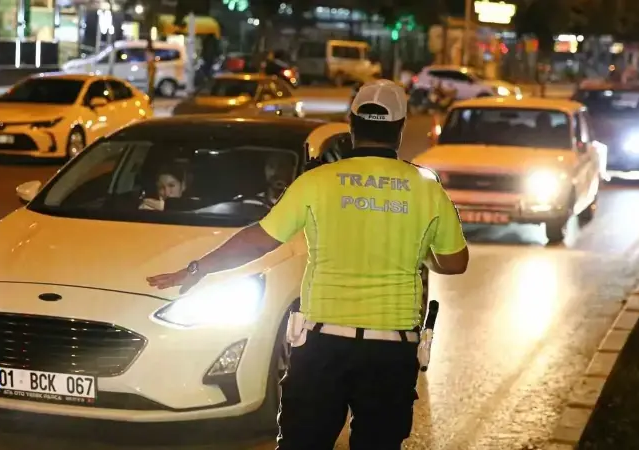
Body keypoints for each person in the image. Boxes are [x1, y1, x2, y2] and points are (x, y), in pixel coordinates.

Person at [146, 79, 469, 449]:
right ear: (399, 129)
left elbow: (258, 239)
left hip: (321, 347)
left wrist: (198, 268)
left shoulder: (316, 181)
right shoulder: (427, 187)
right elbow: (455, 262)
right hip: (390, 351)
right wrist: (421, 246)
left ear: (352, 125)